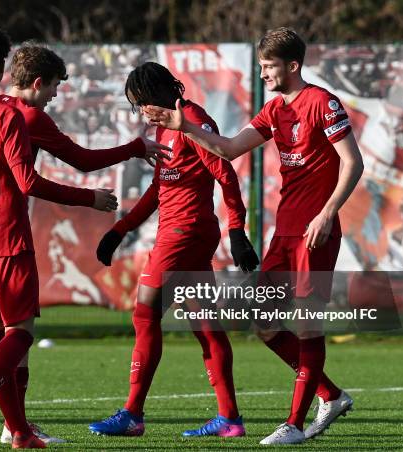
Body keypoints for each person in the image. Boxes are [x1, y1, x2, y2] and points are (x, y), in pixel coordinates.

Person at [143, 27, 364, 445]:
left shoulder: (322, 103)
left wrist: (327, 213)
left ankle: (295, 424)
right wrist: (183, 124)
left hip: (315, 232)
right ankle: (330, 395)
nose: (263, 73)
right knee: (262, 323)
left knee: (306, 325)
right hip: (285, 233)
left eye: (269, 66)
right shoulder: (274, 109)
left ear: (292, 65)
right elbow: (227, 149)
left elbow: (353, 163)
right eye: (260, 66)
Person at [0, 23, 119, 451]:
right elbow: (27, 182)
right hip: (7, 238)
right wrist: (89, 198)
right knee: (20, 332)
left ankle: (18, 432)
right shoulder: (6, 114)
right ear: (2, 64)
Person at [0, 44, 170, 445]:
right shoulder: (30, 116)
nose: (56, 95)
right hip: (7, 231)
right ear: (38, 83)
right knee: (18, 332)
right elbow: (82, 160)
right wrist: (133, 150)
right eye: (54, 86)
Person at [88, 62, 259, 438]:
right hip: (181, 232)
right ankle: (230, 419)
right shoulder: (164, 129)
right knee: (205, 325)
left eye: (143, 102)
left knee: (145, 314)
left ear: (160, 93)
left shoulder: (193, 120)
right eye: (137, 106)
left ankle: (132, 414)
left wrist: (237, 231)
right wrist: (120, 229)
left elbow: (225, 174)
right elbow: (158, 190)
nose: (142, 111)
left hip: (185, 233)